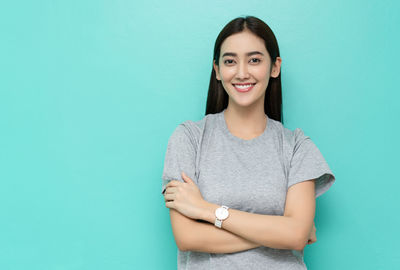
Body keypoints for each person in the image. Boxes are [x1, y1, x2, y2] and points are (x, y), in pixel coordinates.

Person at [161, 15, 335, 270]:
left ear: (275, 67)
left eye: (254, 60)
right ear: (218, 70)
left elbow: (296, 236)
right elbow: (188, 237)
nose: (242, 73)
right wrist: (280, 231)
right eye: (230, 61)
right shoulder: (189, 138)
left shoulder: (297, 146)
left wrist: (207, 211)